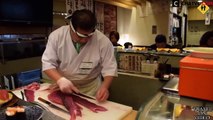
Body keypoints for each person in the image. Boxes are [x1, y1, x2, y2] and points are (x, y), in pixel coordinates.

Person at [42, 9, 117, 102]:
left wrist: (104, 87)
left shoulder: (103, 41)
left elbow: (110, 68)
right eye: (80, 36)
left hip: (90, 89)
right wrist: (60, 80)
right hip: (63, 86)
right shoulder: (57, 36)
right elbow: (47, 63)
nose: (85, 40)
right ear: (71, 27)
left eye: (89, 36)